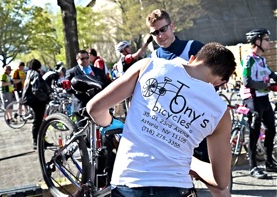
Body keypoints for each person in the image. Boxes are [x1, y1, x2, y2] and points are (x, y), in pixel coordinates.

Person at [87, 42, 236, 196]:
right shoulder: (220, 111)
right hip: (175, 187)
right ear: (220, 82)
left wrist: (111, 124)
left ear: (192, 58)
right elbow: (221, 180)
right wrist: (193, 163)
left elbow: (95, 108)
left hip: (130, 181)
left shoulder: (149, 66)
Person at [240, 28, 277, 178]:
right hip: (252, 100)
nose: (269, 42)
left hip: (264, 99)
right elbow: (246, 81)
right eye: (266, 39)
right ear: (257, 41)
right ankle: (253, 167)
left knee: (271, 129)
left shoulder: (261, 60)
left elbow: (272, 74)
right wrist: (266, 85)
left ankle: (269, 162)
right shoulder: (248, 59)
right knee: (254, 133)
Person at [22, 59, 51, 150]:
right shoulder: (36, 74)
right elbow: (36, 89)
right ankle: (37, 141)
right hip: (37, 101)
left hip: (32, 100)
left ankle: (40, 140)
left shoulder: (29, 73)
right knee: (38, 121)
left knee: (38, 121)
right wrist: (45, 98)